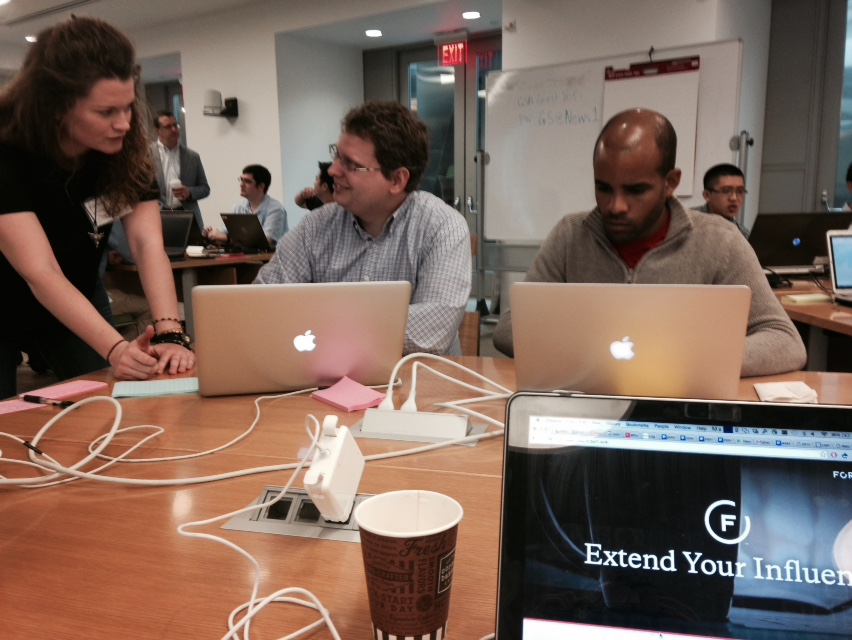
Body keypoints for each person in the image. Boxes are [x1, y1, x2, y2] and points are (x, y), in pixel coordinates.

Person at [493, 108, 806, 377]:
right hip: (589, 402)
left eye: (635, 190)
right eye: (603, 188)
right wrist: (596, 354)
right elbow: (509, 328)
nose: (615, 206)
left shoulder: (720, 242)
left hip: (681, 407)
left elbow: (784, 342)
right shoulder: (570, 235)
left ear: (670, 183)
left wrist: (679, 361)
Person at [0, 16, 195, 398]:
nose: (123, 124)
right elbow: (40, 272)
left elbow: (146, 244)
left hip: (76, 290)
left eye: (126, 108)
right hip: (9, 294)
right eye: (106, 113)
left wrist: (171, 332)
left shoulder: (122, 150)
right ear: (56, 108)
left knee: (108, 403)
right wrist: (115, 347)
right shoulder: (7, 151)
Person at [255, 100, 471, 355]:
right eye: (336, 155)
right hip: (325, 381)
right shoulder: (317, 226)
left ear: (396, 180)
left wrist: (318, 322)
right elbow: (262, 304)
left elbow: (429, 334)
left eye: (350, 164)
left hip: (419, 386)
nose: (333, 170)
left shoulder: (442, 227)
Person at [204, 164, 288, 248]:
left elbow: (266, 242)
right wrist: (211, 235)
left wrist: (227, 239)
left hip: (270, 259)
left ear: (261, 187)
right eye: (241, 180)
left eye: (247, 181)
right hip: (243, 256)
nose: (241, 184)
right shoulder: (238, 207)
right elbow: (224, 233)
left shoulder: (275, 209)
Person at [152, 110, 210, 229]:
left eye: (175, 125)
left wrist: (189, 192)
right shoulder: (145, 156)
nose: (174, 129)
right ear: (158, 131)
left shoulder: (192, 156)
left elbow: (205, 188)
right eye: (168, 127)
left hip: (187, 216)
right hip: (157, 217)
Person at [695, 163, 750, 237]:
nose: (734, 198)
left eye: (740, 191)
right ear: (707, 195)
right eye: (726, 191)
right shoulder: (688, 223)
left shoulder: (742, 234)